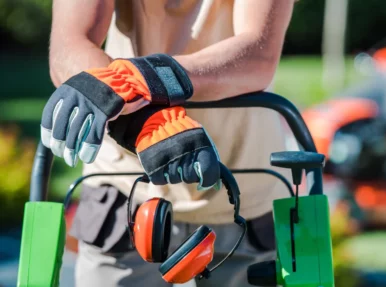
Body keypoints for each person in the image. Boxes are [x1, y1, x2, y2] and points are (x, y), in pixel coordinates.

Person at [43, 0, 295, 286]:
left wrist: (145, 79)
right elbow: (70, 45)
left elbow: (257, 54)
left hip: (241, 191)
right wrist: (149, 124)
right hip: (125, 188)